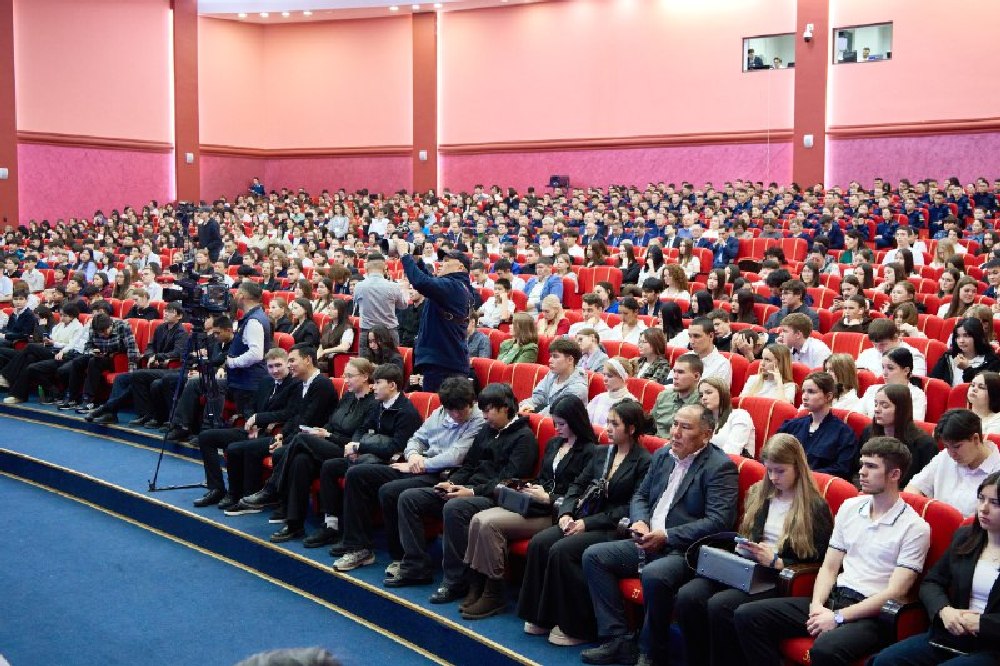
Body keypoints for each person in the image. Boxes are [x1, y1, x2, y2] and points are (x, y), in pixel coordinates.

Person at [736, 437, 931, 666]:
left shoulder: (914, 527)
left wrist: (838, 617)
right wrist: (817, 606)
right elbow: (829, 567)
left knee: (825, 649)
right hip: (835, 598)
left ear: (895, 474)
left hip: (872, 614)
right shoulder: (850, 507)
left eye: (871, 466)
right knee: (747, 616)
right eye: (862, 464)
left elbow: (895, 592)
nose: (862, 472)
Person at [580, 403, 738, 664]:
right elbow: (640, 495)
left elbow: (718, 522)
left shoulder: (719, 467)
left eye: (685, 427)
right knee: (594, 556)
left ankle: (651, 652)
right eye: (674, 424)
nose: (675, 432)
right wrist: (641, 522)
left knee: (655, 574)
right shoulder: (664, 455)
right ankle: (618, 639)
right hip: (647, 539)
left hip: (683, 551)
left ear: (706, 435)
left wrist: (667, 535)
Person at [675, 433, 834, 666]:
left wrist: (778, 562)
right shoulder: (759, 492)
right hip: (747, 566)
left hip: (777, 576)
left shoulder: (814, 507)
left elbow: (820, 558)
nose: (773, 477)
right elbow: (747, 532)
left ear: (798, 468)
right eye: (769, 470)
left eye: (780, 471)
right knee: (688, 596)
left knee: (721, 605)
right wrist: (744, 545)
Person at [518, 400, 653, 647]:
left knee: (563, 550)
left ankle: (577, 627)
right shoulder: (601, 453)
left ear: (631, 428)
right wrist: (566, 514)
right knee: (540, 542)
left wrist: (586, 524)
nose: (608, 428)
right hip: (583, 518)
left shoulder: (644, 462)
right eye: (608, 422)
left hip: (612, 528)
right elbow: (576, 486)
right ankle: (541, 616)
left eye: (615, 424)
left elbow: (628, 507)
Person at [392, 383, 537, 598]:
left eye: (488, 411)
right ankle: (415, 566)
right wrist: (452, 483)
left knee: (454, 507)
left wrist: (470, 491)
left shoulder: (524, 438)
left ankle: (456, 580)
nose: (484, 416)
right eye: (483, 410)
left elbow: (508, 481)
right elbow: (469, 465)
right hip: (468, 489)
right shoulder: (487, 430)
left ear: (505, 408)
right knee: (409, 498)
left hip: (492, 497)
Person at [460, 395, 597, 619]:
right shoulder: (554, 444)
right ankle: (478, 582)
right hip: (533, 503)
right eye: (555, 423)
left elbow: (580, 494)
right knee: (477, 519)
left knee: (489, 524)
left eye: (561, 424)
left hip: (556, 512)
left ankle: (494, 591)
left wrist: (548, 497)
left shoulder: (590, 451)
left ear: (575, 421)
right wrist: (532, 487)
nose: (556, 429)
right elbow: (543, 478)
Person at [332, 377, 485, 575]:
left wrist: (422, 465)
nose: (456, 415)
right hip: (417, 465)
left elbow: (456, 456)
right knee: (357, 474)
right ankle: (358, 548)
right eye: (451, 410)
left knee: (390, 491)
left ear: (471, 403)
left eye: (461, 410)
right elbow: (416, 438)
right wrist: (413, 456)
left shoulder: (478, 419)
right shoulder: (440, 412)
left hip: (444, 474)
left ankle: (401, 557)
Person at [869, 471, 1000, 666]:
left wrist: (983, 624)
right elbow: (932, 582)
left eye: (995, 503)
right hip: (953, 635)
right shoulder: (965, 537)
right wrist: (944, 610)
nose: (984, 508)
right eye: (981, 499)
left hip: (994, 646)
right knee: (885, 661)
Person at [307, 363, 421, 549]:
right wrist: (354, 446)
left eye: (378, 383)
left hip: (390, 463)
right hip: (368, 456)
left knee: (355, 473)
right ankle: (331, 524)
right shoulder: (379, 405)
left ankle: (356, 540)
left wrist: (361, 446)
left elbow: (396, 447)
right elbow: (362, 429)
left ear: (392, 385)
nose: (373, 387)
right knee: (330, 466)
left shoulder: (406, 412)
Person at [223, 345, 338, 515]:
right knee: (238, 448)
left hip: (315, 440)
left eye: (292, 361)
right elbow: (296, 418)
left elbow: (307, 421)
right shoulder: (304, 383)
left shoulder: (321, 384)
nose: (289, 365)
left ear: (307, 360)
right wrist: (282, 436)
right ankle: (256, 497)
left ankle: (272, 494)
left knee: (279, 453)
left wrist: (284, 440)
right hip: (296, 437)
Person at [192, 348, 301, 508]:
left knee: (234, 447)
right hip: (253, 430)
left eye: (278, 365)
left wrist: (258, 418)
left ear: (287, 364)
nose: (274, 370)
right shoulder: (266, 381)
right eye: (270, 366)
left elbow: (289, 413)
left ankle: (235, 494)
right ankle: (216, 488)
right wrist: (252, 420)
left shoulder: (296, 384)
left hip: (273, 433)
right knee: (206, 437)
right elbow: (250, 406)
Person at [396, 240, 476, 392]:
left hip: (443, 364)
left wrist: (405, 255)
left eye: (446, 261)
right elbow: (430, 282)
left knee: (438, 405)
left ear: (460, 267)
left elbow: (422, 283)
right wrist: (417, 260)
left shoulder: (453, 286)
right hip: (447, 360)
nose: (441, 264)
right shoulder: (459, 286)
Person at [906, 409, 1000, 517]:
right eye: (946, 446)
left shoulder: (997, 470)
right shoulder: (945, 456)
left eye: (957, 446)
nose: (952, 454)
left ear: (975, 439)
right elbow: (912, 488)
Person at [777, 372, 858, 479]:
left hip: (819, 484)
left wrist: (803, 474)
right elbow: (772, 453)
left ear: (828, 396)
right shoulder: (791, 426)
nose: (804, 397)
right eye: (803, 391)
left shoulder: (843, 433)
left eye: (811, 392)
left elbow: (842, 470)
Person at [859, 384, 937, 486]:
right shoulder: (868, 432)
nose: (877, 410)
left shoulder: (924, 445)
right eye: (876, 404)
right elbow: (856, 470)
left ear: (901, 409)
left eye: (884, 406)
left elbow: (927, 484)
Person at [225, 281, 272, 418]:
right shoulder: (254, 316)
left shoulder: (254, 320)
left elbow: (256, 354)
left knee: (247, 421)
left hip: (248, 382)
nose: (235, 296)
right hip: (244, 380)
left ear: (242, 296)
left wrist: (233, 362)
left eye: (237, 293)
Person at [519, 338, 589, 416]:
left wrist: (530, 416)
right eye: (550, 356)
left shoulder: (578, 388)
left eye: (555, 356)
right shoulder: (552, 374)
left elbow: (556, 412)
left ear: (570, 360)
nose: (550, 360)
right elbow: (537, 398)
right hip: (542, 416)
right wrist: (525, 406)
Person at [859, 347, 928, 421]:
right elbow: (857, 417)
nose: (884, 373)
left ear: (906, 371)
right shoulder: (873, 390)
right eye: (883, 367)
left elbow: (913, 423)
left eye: (890, 368)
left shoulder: (916, 395)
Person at [931, 318, 1000, 387]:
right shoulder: (948, 357)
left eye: (966, 336)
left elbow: (985, 388)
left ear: (977, 337)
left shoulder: (991, 361)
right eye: (958, 336)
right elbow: (934, 382)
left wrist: (967, 369)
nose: (961, 341)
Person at [700, 377, 757, 456]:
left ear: (722, 394)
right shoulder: (703, 419)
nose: (703, 397)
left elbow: (732, 452)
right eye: (701, 395)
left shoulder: (739, 416)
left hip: (731, 462)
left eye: (709, 393)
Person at [651, 353, 704, 437]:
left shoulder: (703, 401)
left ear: (696, 376)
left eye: (680, 372)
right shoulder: (664, 395)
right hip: (656, 441)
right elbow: (651, 425)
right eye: (674, 371)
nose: (675, 377)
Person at [666, 317, 731, 385]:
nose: (691, 341)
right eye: (690, 336)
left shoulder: (722, 365)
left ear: (711, 336)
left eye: (696, 336)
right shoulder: (685, 357)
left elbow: (717, 392)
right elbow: (669, 382)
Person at [856, 319, 928, 378]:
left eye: (883, 344)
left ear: (895, 338)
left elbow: (916, 382)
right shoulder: (867, 354)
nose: (878, 349)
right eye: (875, 345)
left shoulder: (914, 356)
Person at [587, 357, 638, 427]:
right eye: (604, 375)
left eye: (610, 376)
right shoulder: (599, 398)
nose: (605, 379)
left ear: (623, 377)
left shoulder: (630, 403)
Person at [316, 299, 354, 372]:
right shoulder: (327, 326)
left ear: (341, 311)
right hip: (324, 359)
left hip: (335, 360)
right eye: (329, 308)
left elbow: (344, 347)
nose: (329, 311)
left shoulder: (347, 328)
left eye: (333, 309)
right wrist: (317, 357)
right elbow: (321, 346)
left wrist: (326, 351)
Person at [968, 371, 1000, 436]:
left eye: (981, 387)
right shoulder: (960, 416)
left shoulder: (997, 421)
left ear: (994, 393)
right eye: (972, 385)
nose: (974, 389)